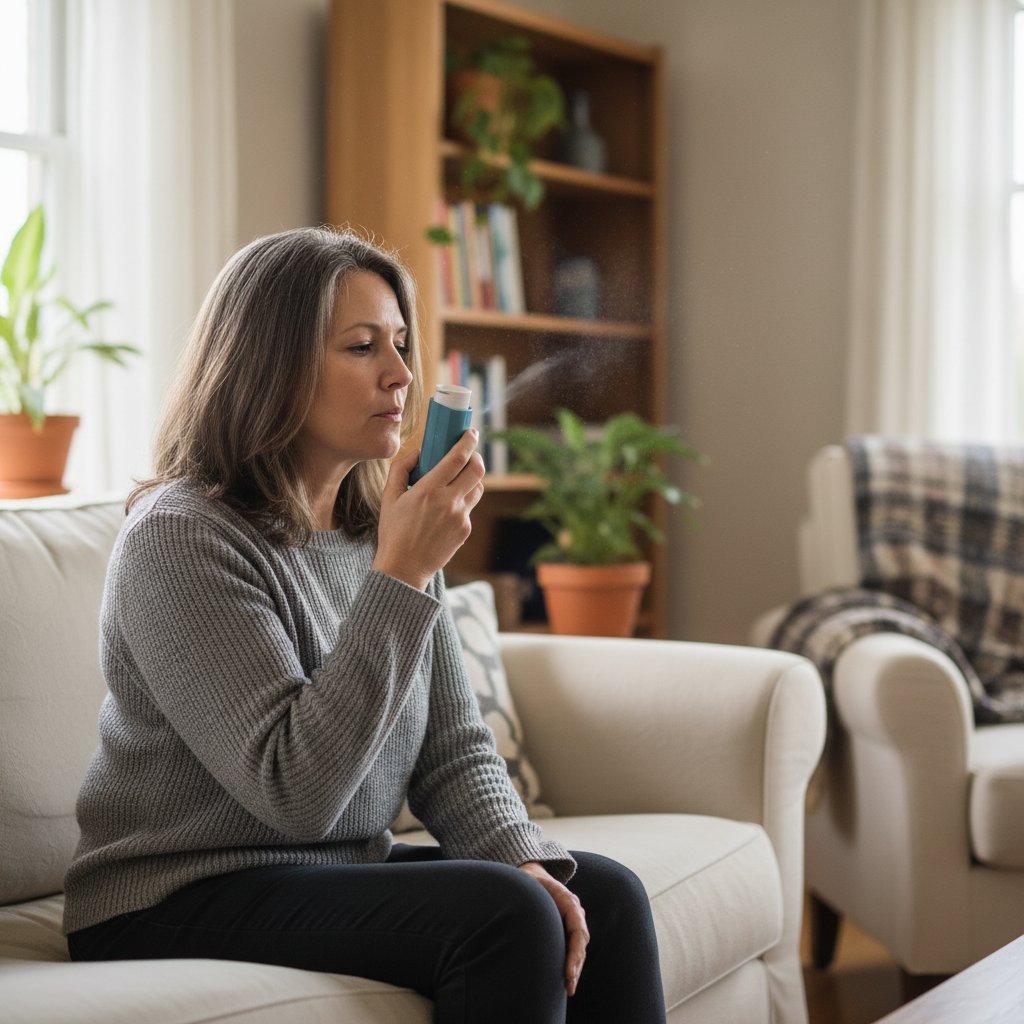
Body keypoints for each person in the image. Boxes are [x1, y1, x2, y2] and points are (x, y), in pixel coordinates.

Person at [63, 226, 666, 1023]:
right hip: (173, 893)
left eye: (401, 345)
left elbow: (452, 748)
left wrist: (521, 855)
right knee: (507, 917)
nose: (401, 375)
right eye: (362, 347)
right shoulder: (182, 539)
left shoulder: (380, 532)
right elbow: (294, 794)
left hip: (329, 870)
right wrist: (403, 573)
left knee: (603, 897)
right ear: (270, 365)